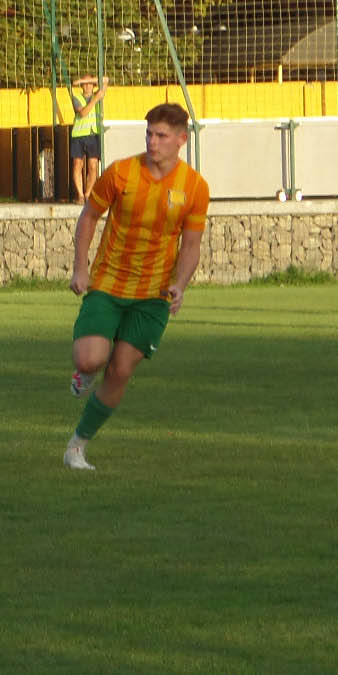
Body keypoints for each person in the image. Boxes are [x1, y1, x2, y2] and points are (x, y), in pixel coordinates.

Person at [63, 102, 210, 471]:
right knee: (90, 358)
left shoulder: (195, 187)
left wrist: (180, 285)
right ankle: (85, 372)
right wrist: (80, 268)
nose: (152, 142)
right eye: (149, 134)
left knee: (121, 370)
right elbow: (89, 217)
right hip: (109, 283)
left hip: (153, 295)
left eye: (161, 135)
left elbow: (191, 245)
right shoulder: (121, 173)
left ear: (181, 139)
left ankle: (77, 447)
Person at [66, 74, 105, 201]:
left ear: (94, 85)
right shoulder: (77, 98)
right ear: (81, 86)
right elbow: (83, 113)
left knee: (93, 165)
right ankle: (80, 195)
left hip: (93, 133)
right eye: (85, 84)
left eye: (90, 83)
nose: (88, 86)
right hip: (78, 134)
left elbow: (106, 80)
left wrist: (88, 81)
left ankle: (88, 193)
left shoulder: (98, 94)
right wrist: (95, 99)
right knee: (78, 164)